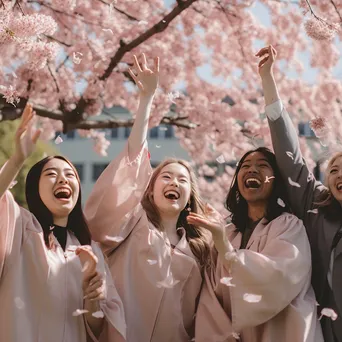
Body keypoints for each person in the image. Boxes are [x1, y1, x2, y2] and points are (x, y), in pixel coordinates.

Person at [85, 54, 212, 342]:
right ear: (150, 189)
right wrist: (147, 99)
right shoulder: (131, 225)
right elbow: (133, 160)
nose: (174, 182)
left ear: (190, 195)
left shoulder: (199, 248)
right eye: (165, 177)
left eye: (182, 180)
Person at [0, 104, 126, 342]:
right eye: (51, 174)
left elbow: (97, 328)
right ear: (35, 188)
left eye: (70, 175)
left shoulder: (90, 250)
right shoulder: (20, 229)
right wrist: (17, 160)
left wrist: (93, 296)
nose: (63, 179)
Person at [187, 147, 323, 341]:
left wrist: (225, 248)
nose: (252, 170)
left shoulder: (289, 226)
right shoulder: (228, 232)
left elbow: (278, 277)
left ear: (276, 180)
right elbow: (210, 297)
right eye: (245, 166)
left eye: (262, 165)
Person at [258, 44, 342, 341]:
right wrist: (268, 80)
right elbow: (289, 155)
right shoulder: (316, 206)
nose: (339, 175)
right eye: (333, 170)